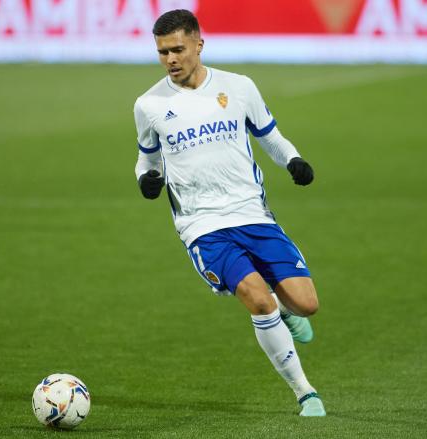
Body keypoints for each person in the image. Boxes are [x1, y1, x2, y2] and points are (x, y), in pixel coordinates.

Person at [133, 9, 326, 417]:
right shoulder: (149, 104)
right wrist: (146, 180)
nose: (170, 59)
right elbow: (145, 160)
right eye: (162, 52)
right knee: (259, 301)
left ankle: (282, 310)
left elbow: (270, 136)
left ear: (199, 45)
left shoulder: (238, 87)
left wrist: (293, 161)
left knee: (306, 305)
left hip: (252, 213)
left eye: (178, 49)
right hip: (202, 225)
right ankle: (305, 392)